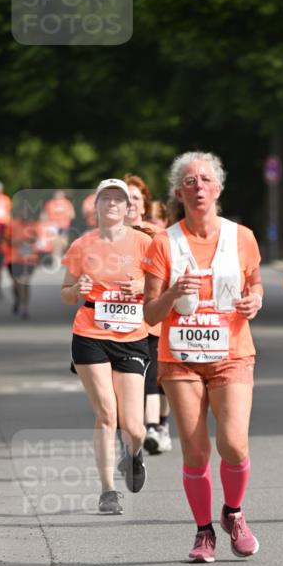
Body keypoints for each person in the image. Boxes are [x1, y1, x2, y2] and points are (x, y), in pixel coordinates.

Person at [143, 151, 263, 562]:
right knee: (195, 452)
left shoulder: (241, 237)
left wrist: (255, 301)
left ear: (219, 188)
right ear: (179, 192)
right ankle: (203, 533)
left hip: (232, 354)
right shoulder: (164, 243)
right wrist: (174, 292)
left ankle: (233, 512)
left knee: (233, 444)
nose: (198, 187)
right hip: (179, 358)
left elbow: (255, 285)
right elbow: (149, 313)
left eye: (205, 180)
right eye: (190, 181)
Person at [61, 178, 151, 515]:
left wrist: (140, 285)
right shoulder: (82, 245)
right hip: (90, 334)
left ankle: (134, 452)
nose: (112, 204)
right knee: (106, 414)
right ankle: (108, 490)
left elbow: (161, 284)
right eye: (105, 199)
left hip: (131, 336)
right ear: (95, 206)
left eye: (119, 199)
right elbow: (66, 292)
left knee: (134, 426)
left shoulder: (144, 243)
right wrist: (78, 288)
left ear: (128, 208)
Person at [124, 173, 172, 455]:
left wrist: (142, 285)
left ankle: (155, 426)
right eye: (123, 198)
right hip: (114, 325)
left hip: (150, 319)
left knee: (154, 375)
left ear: (144, 205)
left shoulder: (155, 237)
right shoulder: (104, 237)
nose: (128, 204)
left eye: (134, 198)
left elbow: (167, 277)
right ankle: (131, 431)